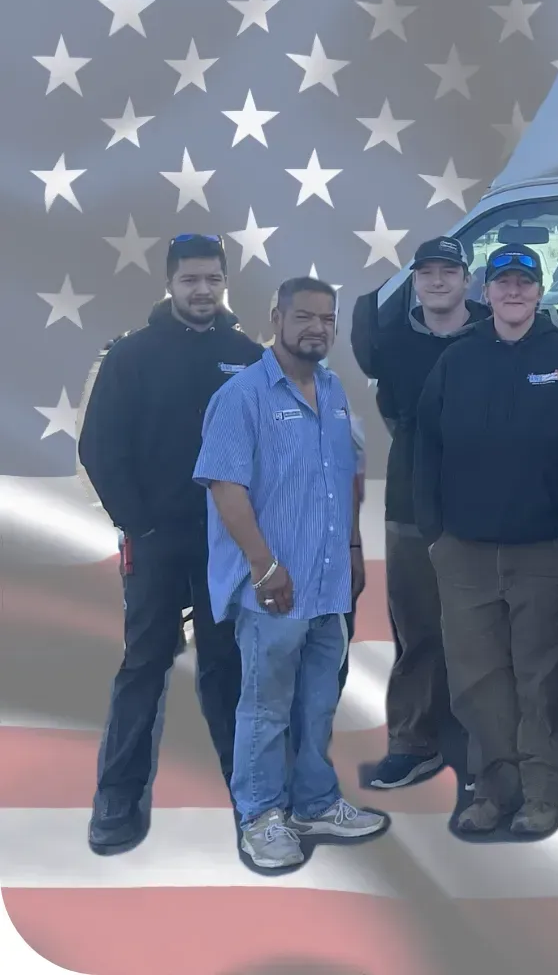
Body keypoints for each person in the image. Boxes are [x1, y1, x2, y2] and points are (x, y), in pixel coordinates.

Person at [195, 277, 389, 872]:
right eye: (303, 316)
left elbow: (345, 478)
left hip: (327, 585)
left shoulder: (332, 392)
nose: (316, 328)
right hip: (273, 588)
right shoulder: (243, 395)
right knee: (265, 707)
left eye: (326, 319)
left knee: (317, 703)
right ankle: (259, 817)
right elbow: (226, 486)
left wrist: (355, 547)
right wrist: (264, 564)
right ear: (275, 317)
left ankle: (314, 803)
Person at [80, 234, 262, 854]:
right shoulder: (131, 357)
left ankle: (255, 805)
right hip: (156, 543)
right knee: (143, 667)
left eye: (213, 279)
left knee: (228, 671)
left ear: (224, 281)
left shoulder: (249, 357)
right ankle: (117, 803)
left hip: (227, 548)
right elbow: (100, 447)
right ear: (170, 283)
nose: (203, 290)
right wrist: (141, 524)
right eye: (191, 280)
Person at [414, 244, 558, 838]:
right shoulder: (456, 362)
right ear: (485, 293)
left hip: (544, 550)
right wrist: (435, 534)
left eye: (525, 282)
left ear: (540, 291)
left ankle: (543, 794)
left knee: (539, 677)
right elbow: (425, 449)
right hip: (464, 551)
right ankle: (494, 790)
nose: (514, 292)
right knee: (478, 678)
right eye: (503, 283)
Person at [349, 236, 489, 791]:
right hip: (410, 502)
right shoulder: (392, 343)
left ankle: (488, 755)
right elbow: (390, 408)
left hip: (481, 509)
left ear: (466, 278)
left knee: (482, 633)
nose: (437, 281)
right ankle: (413, 743)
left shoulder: (493, 333)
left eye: (447, 272)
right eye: (426, 272)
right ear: (415, 279)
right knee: (415, 629)